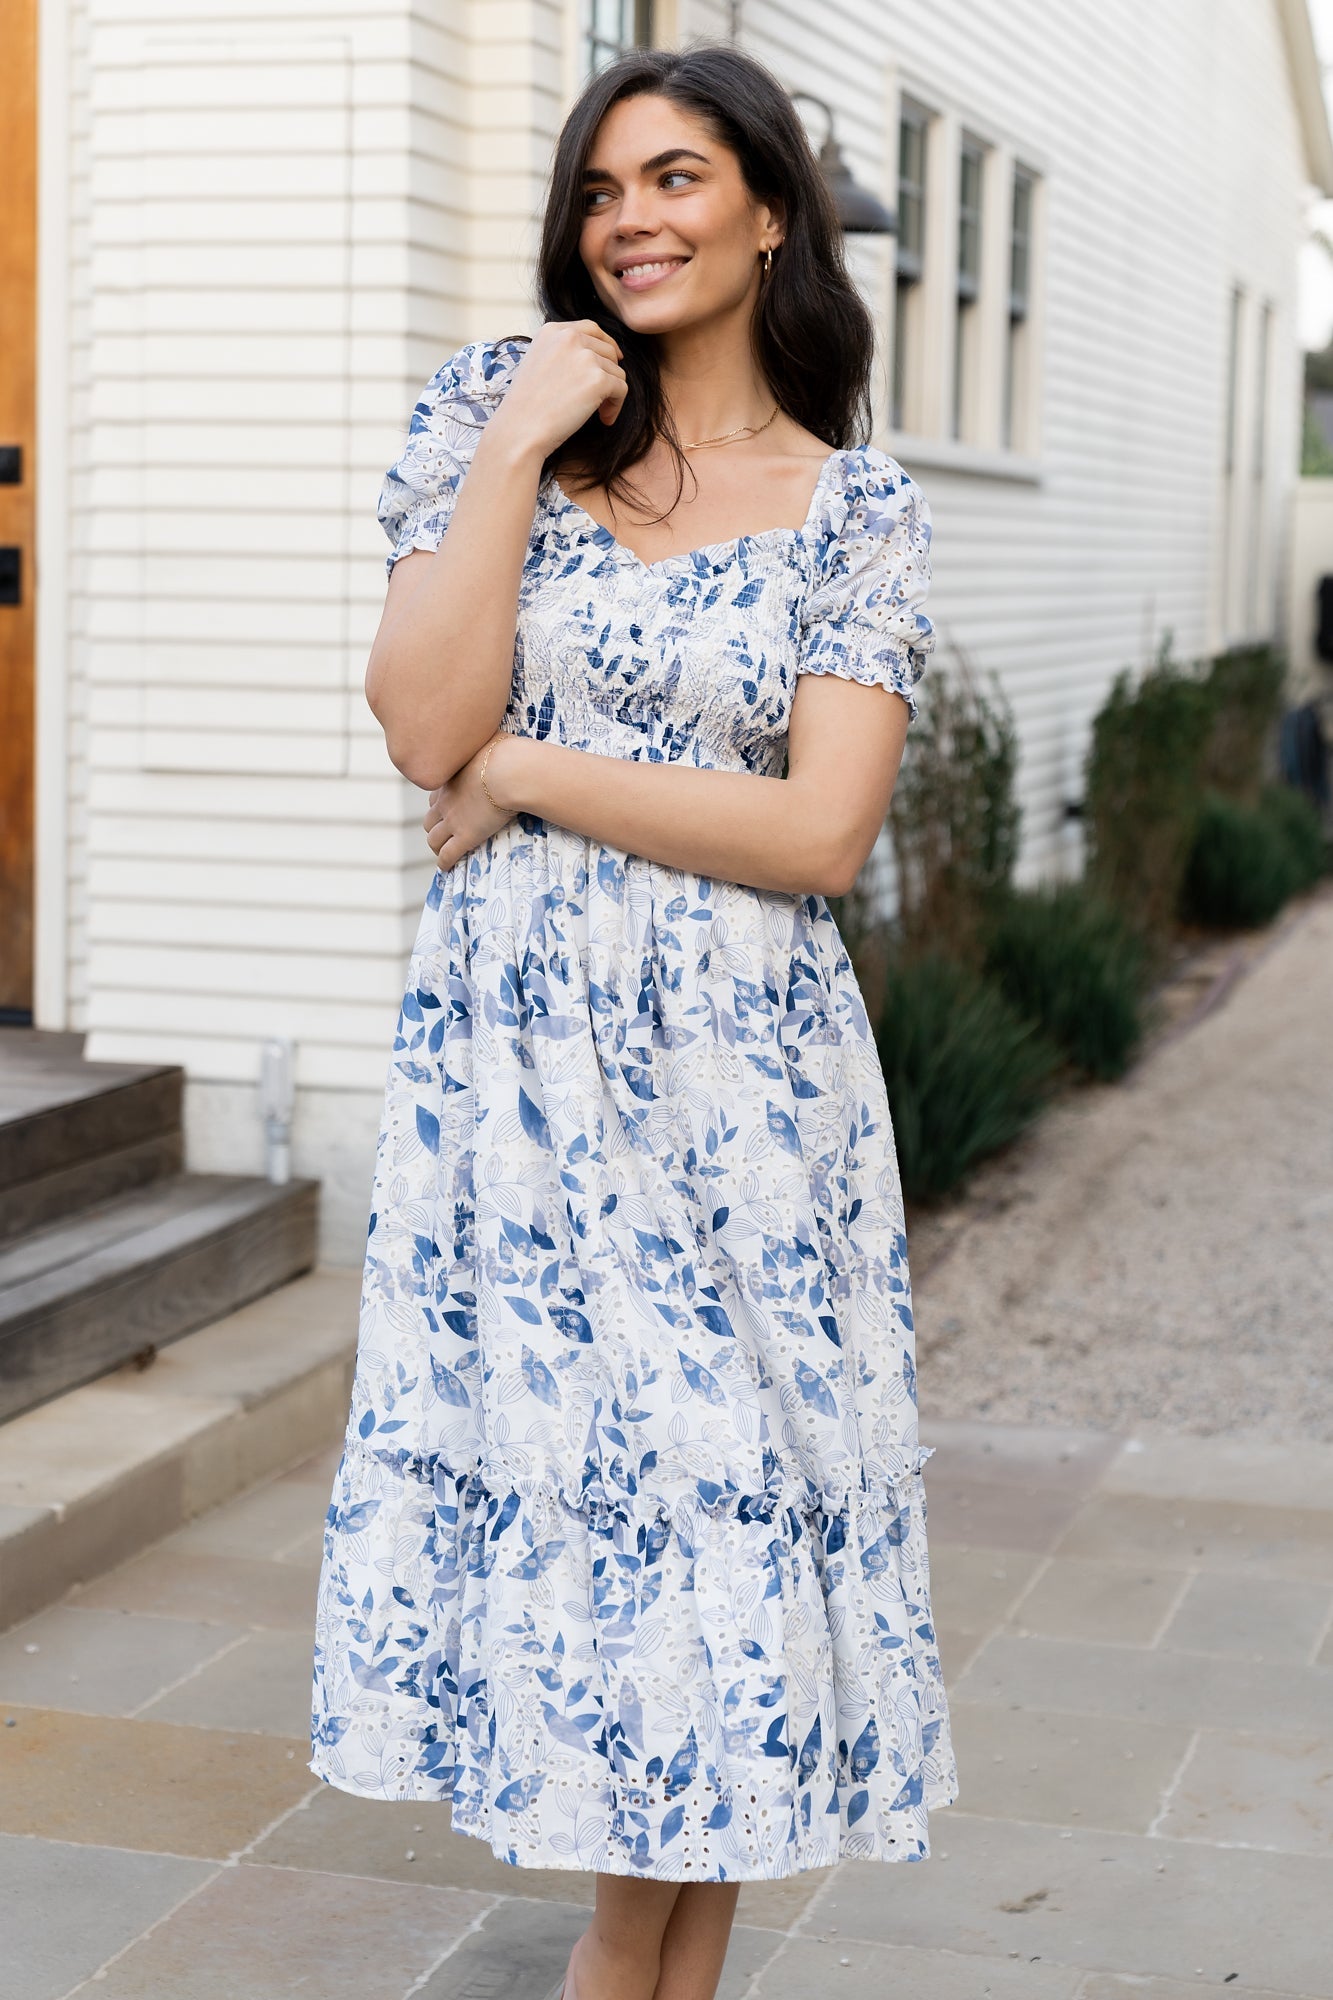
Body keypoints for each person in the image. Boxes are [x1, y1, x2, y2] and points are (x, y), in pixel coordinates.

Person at [309, 40, 959, 2000]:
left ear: (769, 207)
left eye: (674, 178)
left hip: (752, 1107)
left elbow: (817, 828)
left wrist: (531, 773)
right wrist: (520, 434)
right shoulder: (490, 423)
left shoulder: (852, 506)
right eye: (602, 190)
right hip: (524, 1106)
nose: (630, 220)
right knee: (621, 1616)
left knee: (728, 1609)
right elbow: (420, 719)